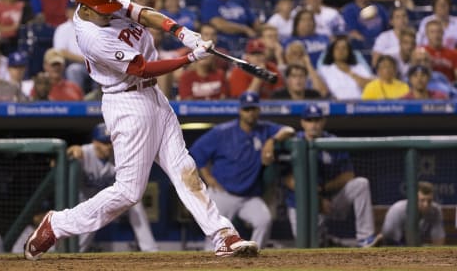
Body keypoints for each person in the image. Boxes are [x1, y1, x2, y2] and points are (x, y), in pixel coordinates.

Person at [24, 0, 259, 260]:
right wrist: (189, 58)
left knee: (184, 168)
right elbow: (141, 68)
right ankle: (58, 223)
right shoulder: (91, 36)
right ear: (84, 9)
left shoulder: (102, 5)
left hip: (153, 97)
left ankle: (222, 234)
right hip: (127, 103)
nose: (110, 13)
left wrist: (180, 31)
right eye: (103, 11)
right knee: (128, 192)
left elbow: (139, 12)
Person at [190, 92, 295, 249]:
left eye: (253, 109)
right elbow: (196, 151)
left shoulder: (265, 129)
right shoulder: (222, 132)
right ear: (240, 110)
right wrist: (208, 177)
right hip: (223, 193)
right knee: (215, 239)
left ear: (259, 110)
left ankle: (253, 255)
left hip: (249, 196)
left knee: (263, 220)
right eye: (247, 109)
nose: (250, 113)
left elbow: (289, 130)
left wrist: (272, 140)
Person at [284, 104, 382, 248]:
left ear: (323, 122)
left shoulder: (332, 141)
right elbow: (289, 180)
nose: (314, 125)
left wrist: (323, 190)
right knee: (306, 246)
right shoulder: (294, 142)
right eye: (309, 120)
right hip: (301, 205)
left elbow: (348, 175)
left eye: (317, 120)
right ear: (303, 122)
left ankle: (365, 238)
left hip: (330, 201)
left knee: (361, 184)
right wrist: (316, 198)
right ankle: (327, 239)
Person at [67, 123, 158, 252]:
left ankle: (150, 250)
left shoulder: (120, 155)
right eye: (104, 143)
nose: (109, 147)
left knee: (135, 204)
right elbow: (61, 161)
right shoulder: (84, 152)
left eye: (111, 142)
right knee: (82, 237)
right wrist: (70, 152)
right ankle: (72, 256)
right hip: (86, 202)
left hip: (109, 200)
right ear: (95, 142)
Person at [381, 181, 445, 246]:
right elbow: (390, 241)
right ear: (413, 198)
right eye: (422, 200)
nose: (426, 204)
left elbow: (438, 239)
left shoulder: (435, 211)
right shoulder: (398, 210)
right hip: (397, 247)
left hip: (417, 247)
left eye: (429, 201)